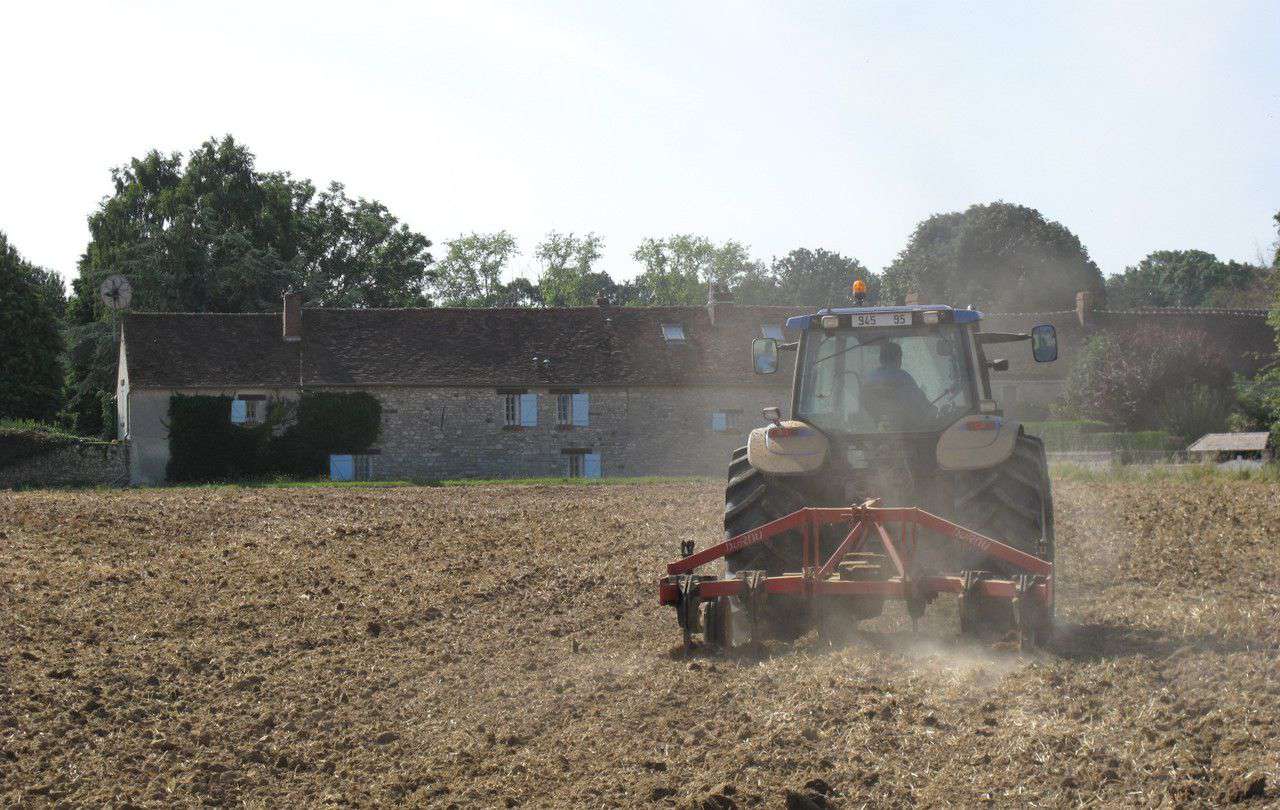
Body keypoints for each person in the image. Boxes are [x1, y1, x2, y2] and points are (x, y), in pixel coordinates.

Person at [861, 341, 934, 427]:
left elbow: (863, 404)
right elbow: (922, 407)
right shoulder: (905, 378)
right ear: (899, 359)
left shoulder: (869, 378)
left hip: (872, 430)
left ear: (880, 359)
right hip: (904, 431)